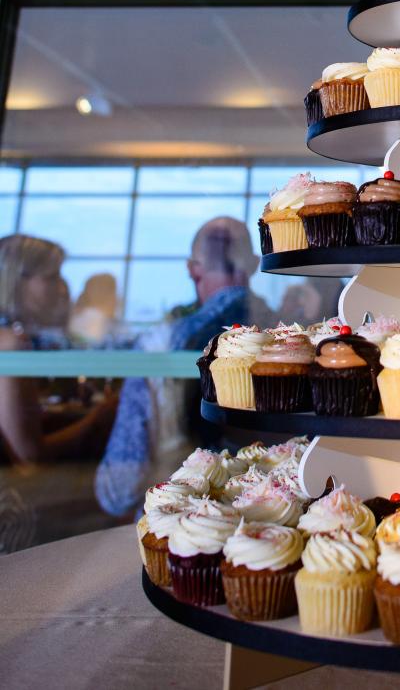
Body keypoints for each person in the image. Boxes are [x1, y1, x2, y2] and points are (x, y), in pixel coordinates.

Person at [95, 215, 272, 517]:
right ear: (255, 263)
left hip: (177, 515)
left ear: (193, 269)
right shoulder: (287, 333)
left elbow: (118, 490)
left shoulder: (160, 342)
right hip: (269, 508)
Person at [0, 234, 116, 466]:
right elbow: (28, 458)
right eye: (52, 277)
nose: (64, 288)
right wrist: (98, 419)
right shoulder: (10, 344)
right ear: (17, 282)